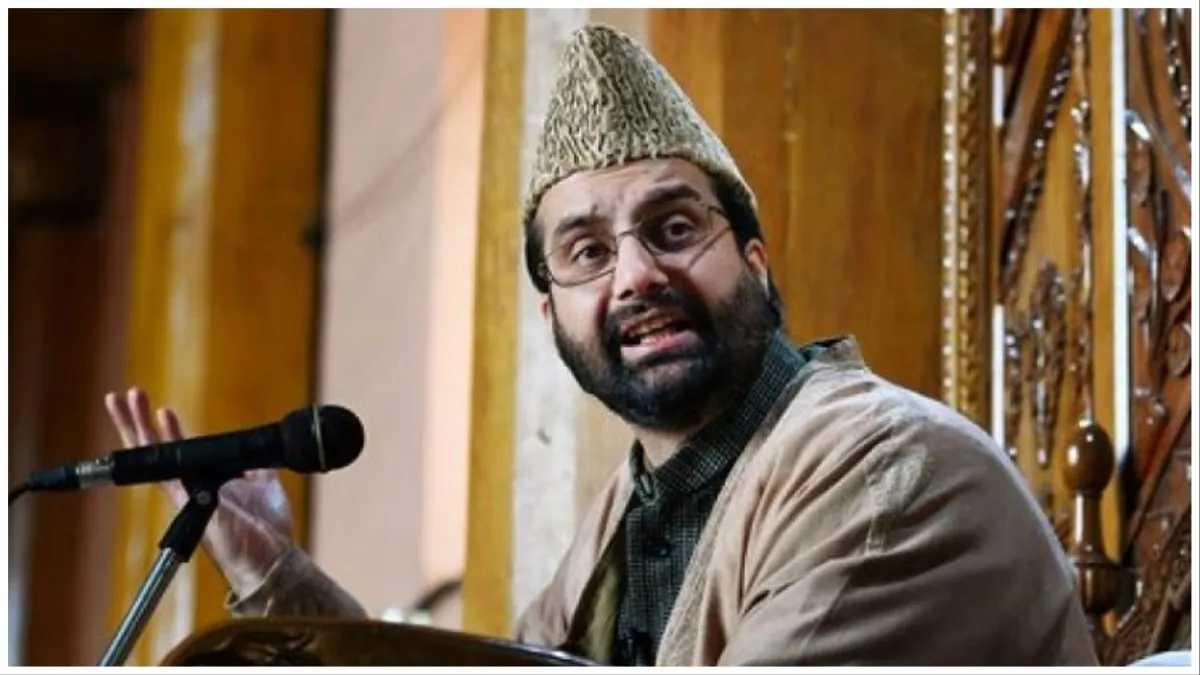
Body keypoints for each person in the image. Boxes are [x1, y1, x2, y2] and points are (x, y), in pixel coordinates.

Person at [104, 23, 1099, 667]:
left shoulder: (882, 472)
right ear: (552, 318)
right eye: (586, 251)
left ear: (756, 265)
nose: (634, 277)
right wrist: (275, 571)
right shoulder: (635, 504)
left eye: (674, 229)